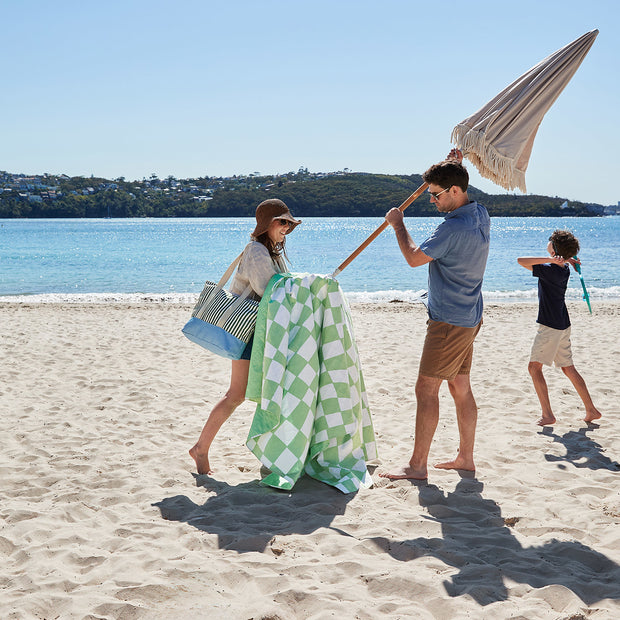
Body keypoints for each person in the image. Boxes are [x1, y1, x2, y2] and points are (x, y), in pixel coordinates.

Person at [380, 149, 490, 480]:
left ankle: (416, 466)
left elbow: (414, 258)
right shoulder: (480, 213)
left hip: (448, 322)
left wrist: (398, 224)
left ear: (455, 192)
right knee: (460, 386)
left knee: (426, 389)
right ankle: (465, 458)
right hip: (470, 316)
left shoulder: (452, 229)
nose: (431, 201)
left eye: (435, 195)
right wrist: (455, 165)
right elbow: (457, 182)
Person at [189, 198, 301, 475]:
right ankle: (201, 448)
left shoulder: (270, 251)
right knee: (237, 394)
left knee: (274, 392)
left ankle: (276, 456)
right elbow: (267, 288)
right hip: (250, 331)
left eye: (289, 223)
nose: (286, 227)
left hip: (264, 331)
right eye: (281, 221)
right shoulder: (256, 251)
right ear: (267, 224)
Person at [517, 230, 602, 426]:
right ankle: (591, 410)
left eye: (550, 242)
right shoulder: (563, 268)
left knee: (534, 368)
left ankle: (548, 415)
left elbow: (521, 260)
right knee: (568, 368)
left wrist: (552, 260)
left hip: (550, 326)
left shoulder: (552, 269)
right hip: (563, 323)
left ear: (555, 249)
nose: (547, 243)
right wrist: (564, 260)